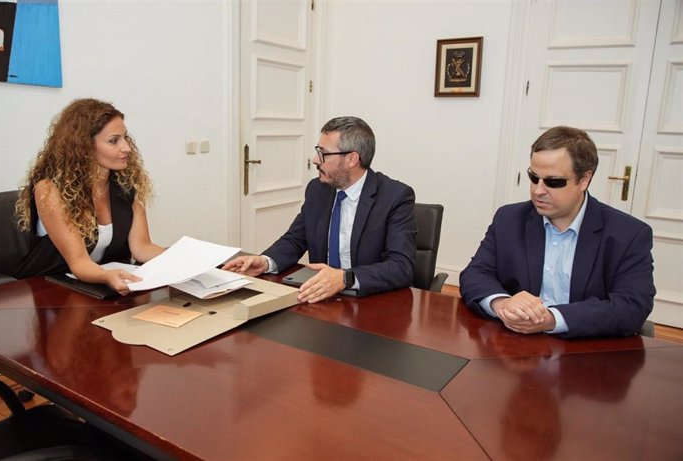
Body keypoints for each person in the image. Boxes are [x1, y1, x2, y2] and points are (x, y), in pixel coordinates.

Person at [460, 126, 655, 338]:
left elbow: (631, 306)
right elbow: (475, 273)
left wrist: (552, 319)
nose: (538, 190)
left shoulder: (628, 234)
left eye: (553, 182)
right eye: (534, 177)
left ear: (584, 180)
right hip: (515, 346)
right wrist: (503, 303)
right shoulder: (509, 218)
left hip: (587, 352)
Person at [224, 116, 416, 303]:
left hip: (371, 303)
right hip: (320, 299)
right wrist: (266, 261)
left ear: (351, 159)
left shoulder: (395, 197)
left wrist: (344, 278)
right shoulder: (318, 189)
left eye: (323, 153)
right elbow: (295, 239)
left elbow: (401, 267)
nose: (315, 160)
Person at [15, 98, 164, 294]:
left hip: (100, 287)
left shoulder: (127, 186)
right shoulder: (49, 190)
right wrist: (106, 276)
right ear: (84, 146)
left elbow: (142, 247)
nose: (127, 147)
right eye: (114, 141)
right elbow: (79, 262)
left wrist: (198, 259)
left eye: (125, 137)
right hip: (50, 290)